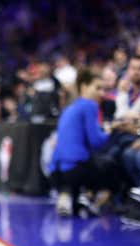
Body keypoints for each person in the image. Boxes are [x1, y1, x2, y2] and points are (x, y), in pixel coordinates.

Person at [48, 69, 131, 216]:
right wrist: (111, 130)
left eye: (103, 89)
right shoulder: (90, 105)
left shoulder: (70, 108)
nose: (102, 93)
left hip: (56, 171)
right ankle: (96, 201)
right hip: (76, 169)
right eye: (97, 88)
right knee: (113, 167)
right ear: (84, 87)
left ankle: (70, 195)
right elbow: (96, 141)